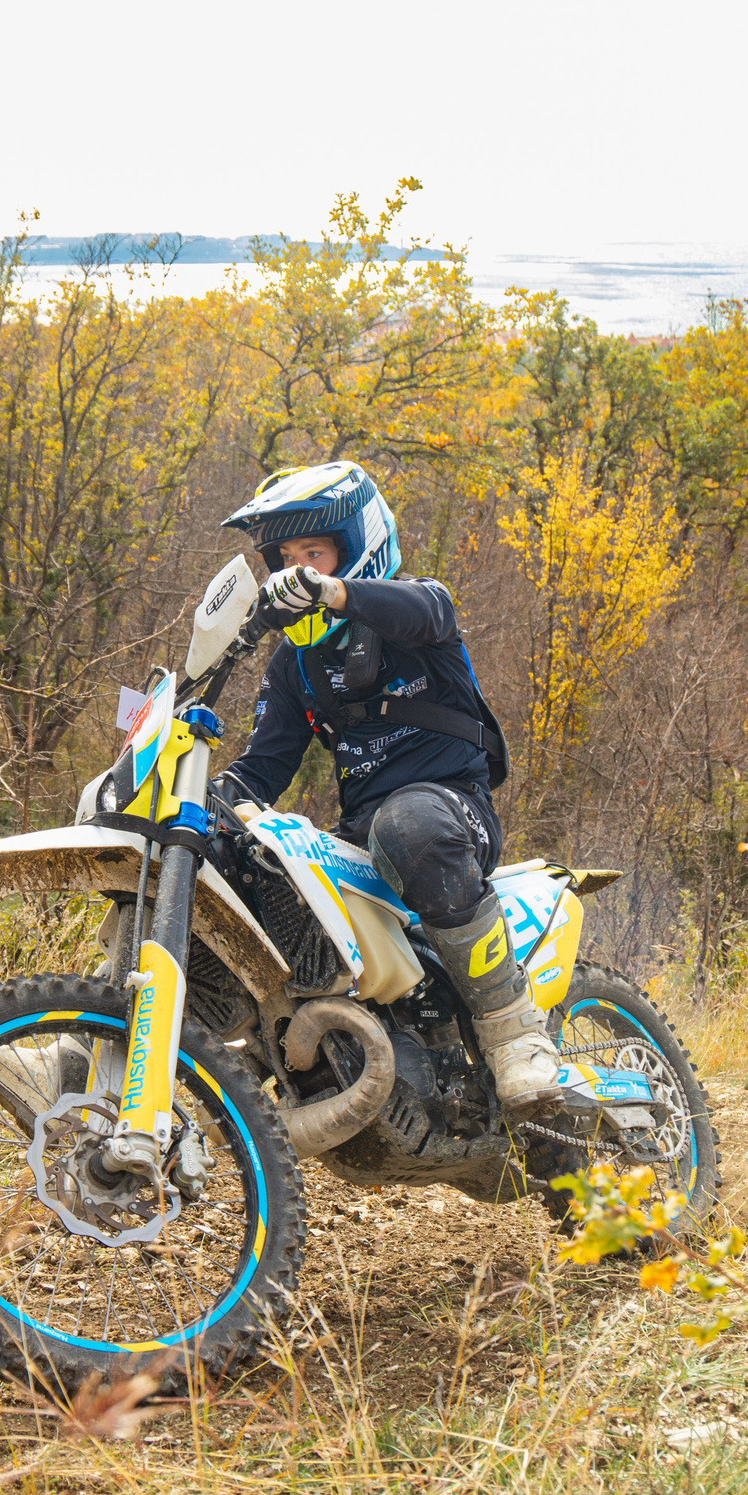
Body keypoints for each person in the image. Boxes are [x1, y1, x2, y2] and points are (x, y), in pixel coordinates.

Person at [209, 461, 568, 1118]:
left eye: (312, 554)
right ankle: (97, 1050)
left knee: (406, 825)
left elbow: (428, 609)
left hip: (451, 811)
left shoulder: (417, 608)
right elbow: (263, 767)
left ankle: (515, 1034)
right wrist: (204, 804)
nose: (294, 570)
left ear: (356, 546)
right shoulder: (295, 664)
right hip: (364, 835)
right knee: (235, 857)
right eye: (283, 559)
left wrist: (332, 591)